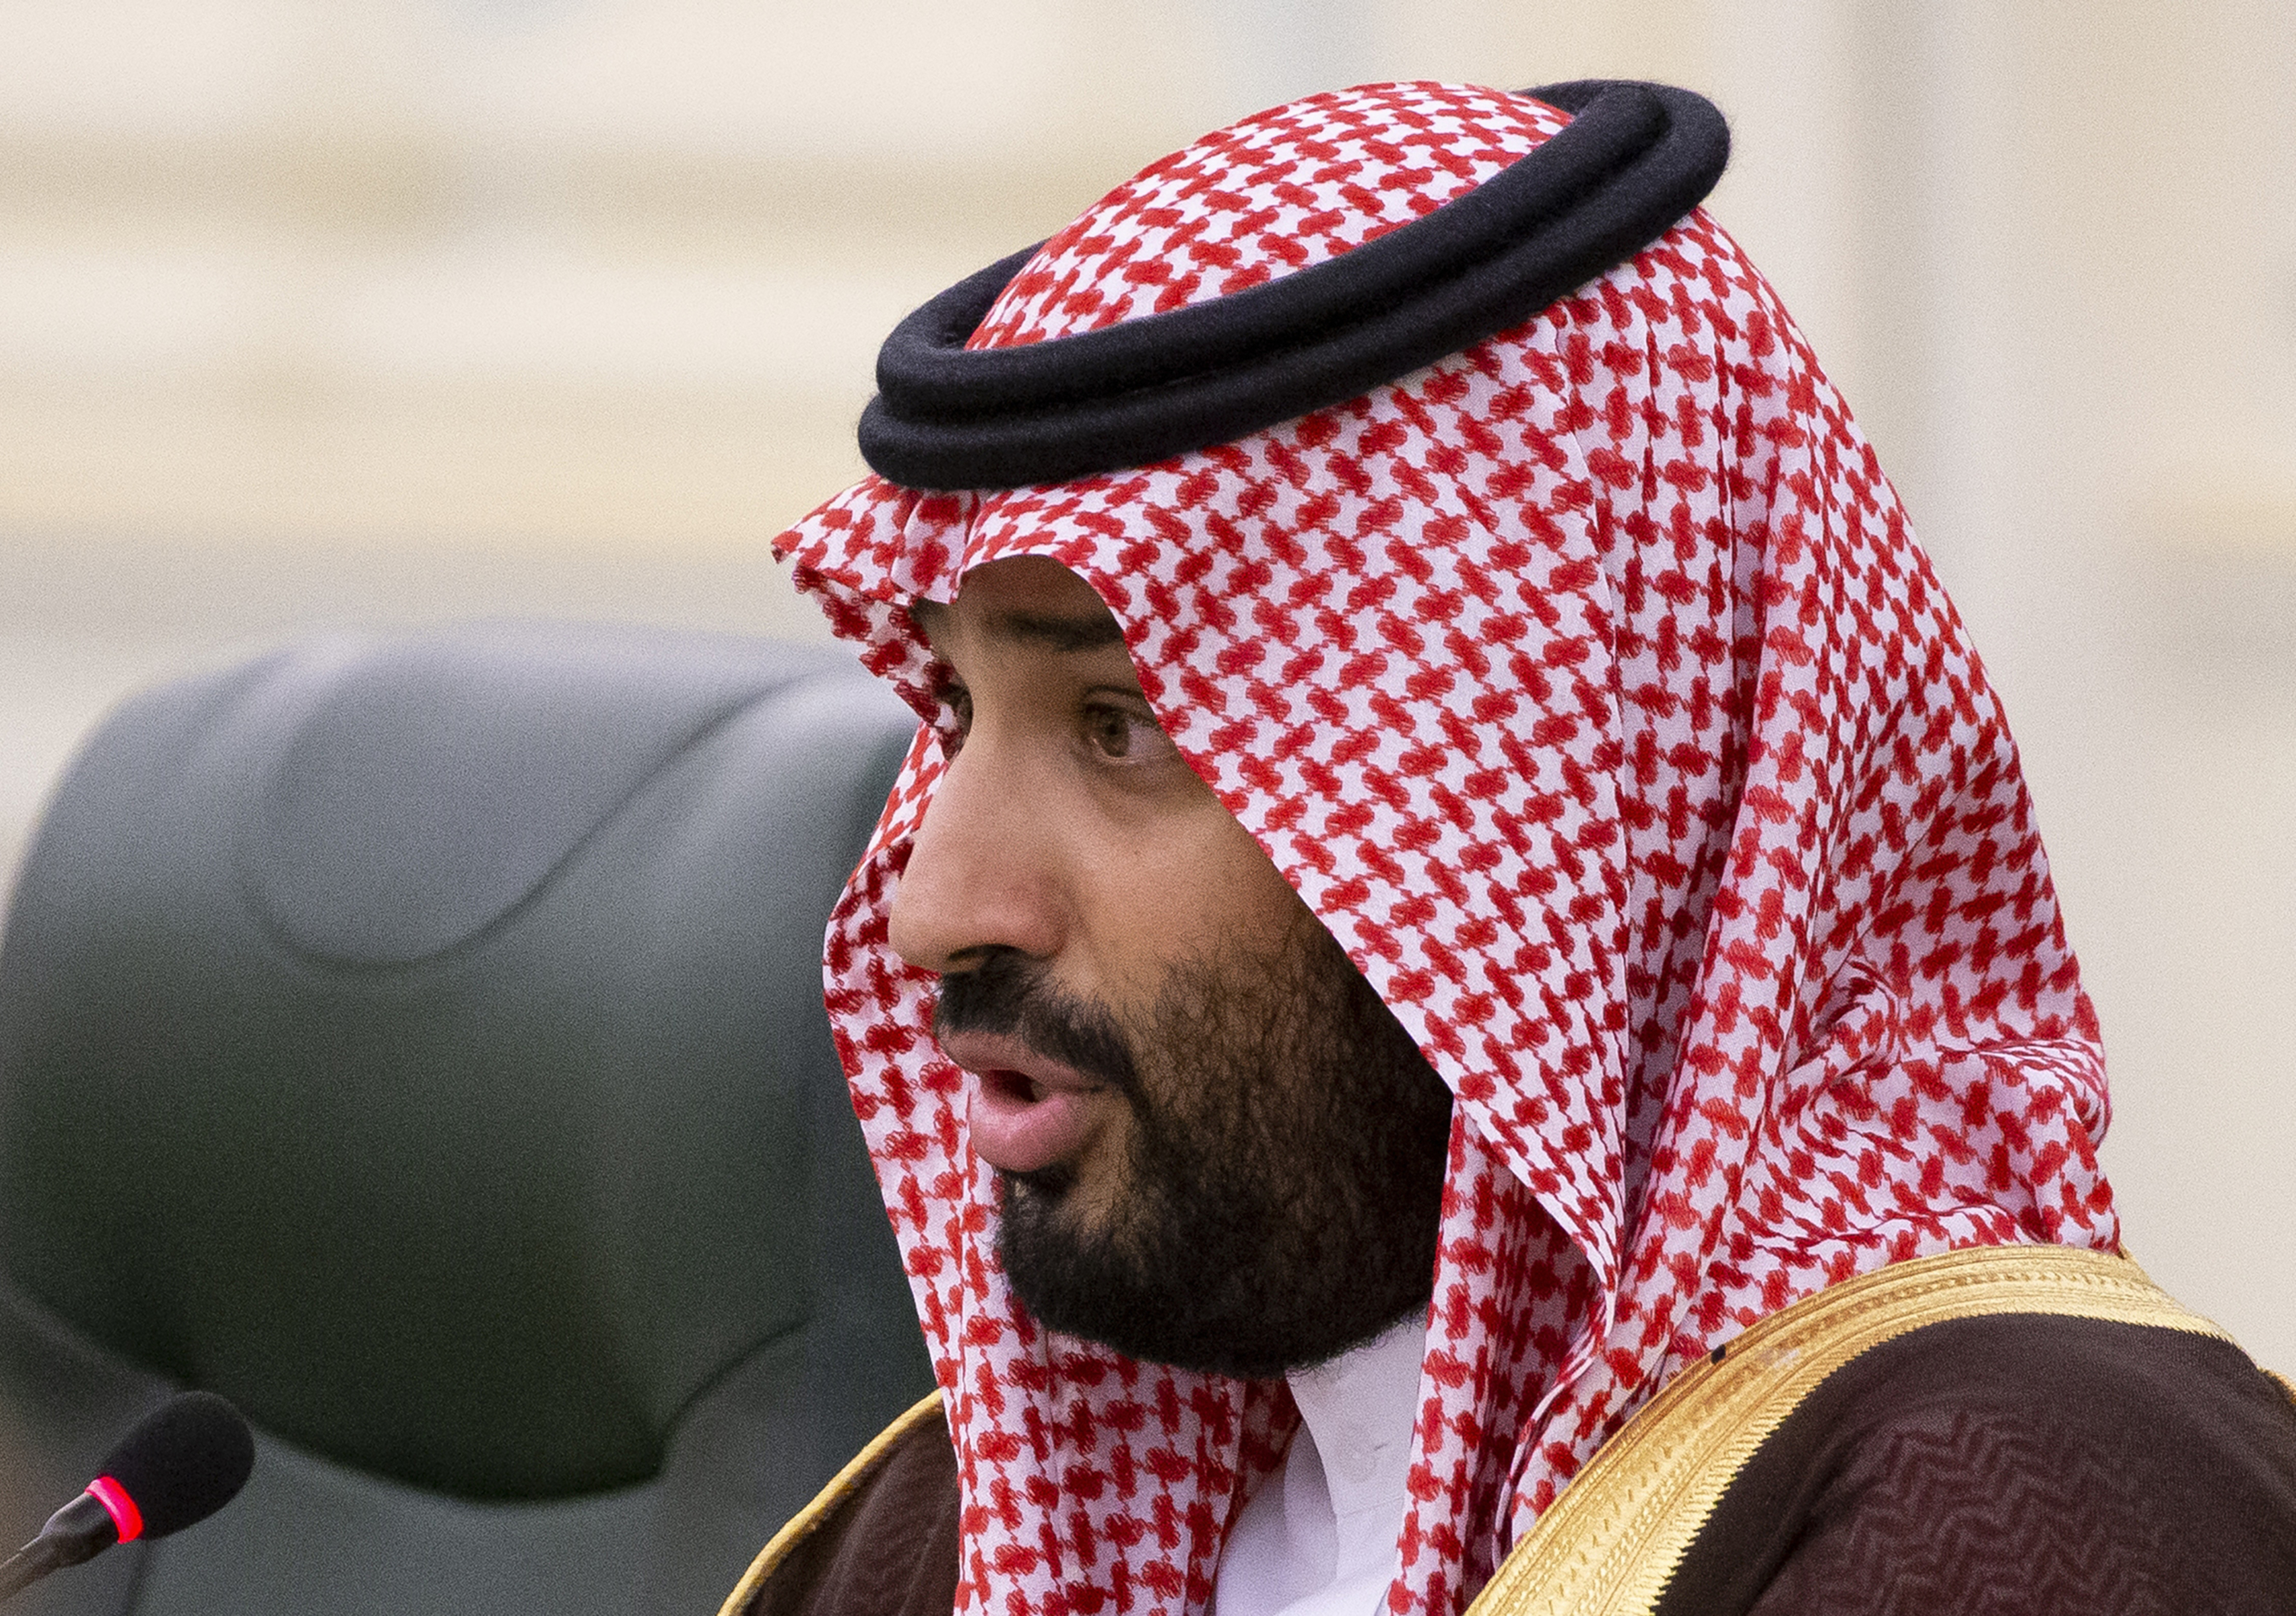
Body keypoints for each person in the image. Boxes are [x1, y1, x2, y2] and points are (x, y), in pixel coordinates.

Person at [720, 80, 2296, 1616]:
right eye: (957, 712)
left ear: (1537, 807)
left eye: (1123, 726)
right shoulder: (954, 1538)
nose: (933, 907)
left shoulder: (1995, 1516)